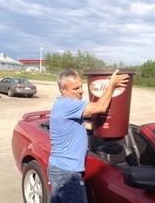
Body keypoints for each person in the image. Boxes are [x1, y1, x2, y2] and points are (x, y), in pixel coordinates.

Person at [47, 68, 129, 203]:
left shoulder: (62, 104)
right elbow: (100, 107)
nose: (81, 91)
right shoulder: (69, 104)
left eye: (81, 86)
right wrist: (112, 84)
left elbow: (78, 124)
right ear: (63, 90)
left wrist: (105, 127)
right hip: (68, 173)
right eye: (75, 89)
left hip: (59, 169)